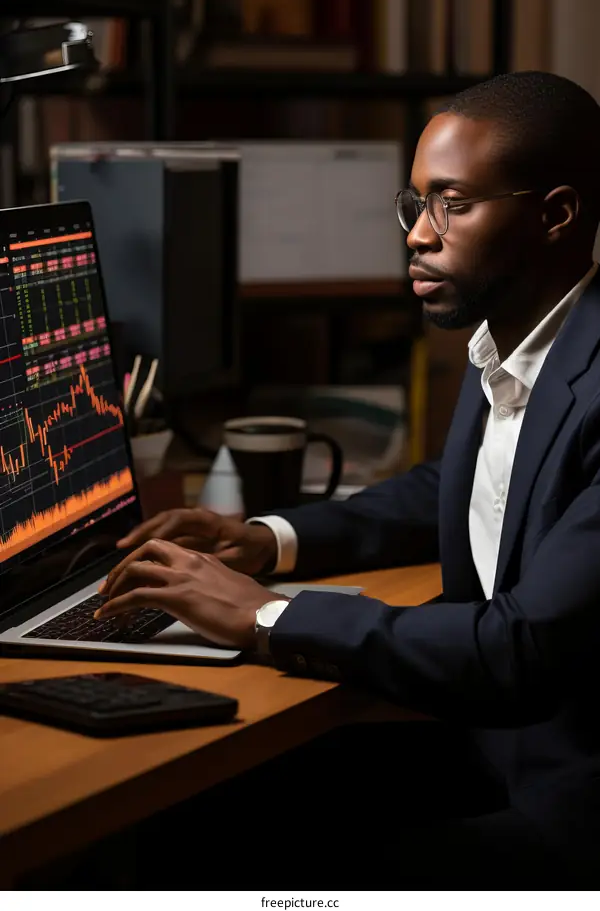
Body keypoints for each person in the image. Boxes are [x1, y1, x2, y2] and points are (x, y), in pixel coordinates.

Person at [99, 72, 600, 888]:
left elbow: (521, 646)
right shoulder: (518, 342)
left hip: (562, 806)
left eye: (453, 204)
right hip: (480, 745)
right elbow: (463, 483)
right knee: (192, 827)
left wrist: (264, 613)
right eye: (415, 204)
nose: (417, 236)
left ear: (555, 215)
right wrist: (268, 540)